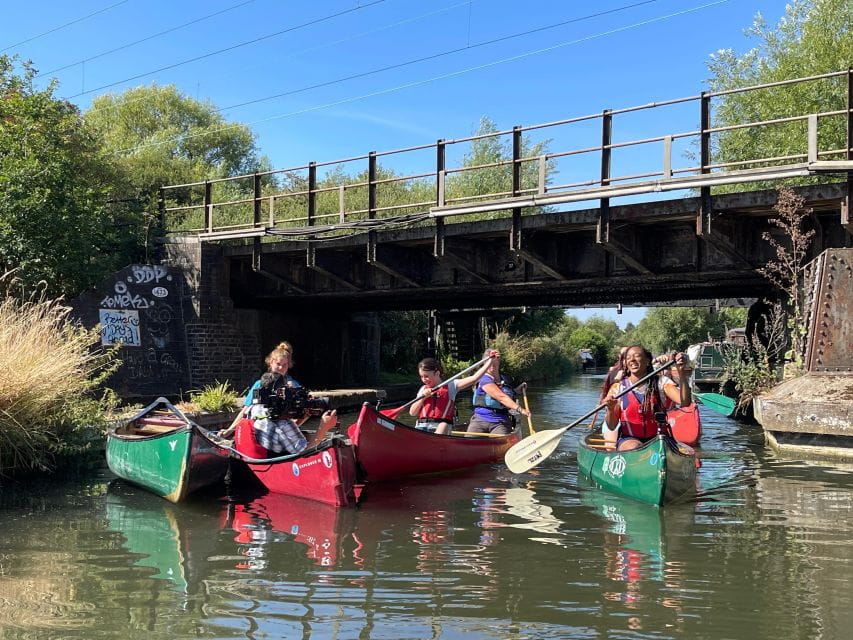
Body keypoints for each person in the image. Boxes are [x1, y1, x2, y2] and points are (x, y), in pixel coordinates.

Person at [226, 341, 337, 454]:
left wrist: (300, 417)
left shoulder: (293, 387)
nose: (281, 368)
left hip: (278, 429)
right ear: (271, 362)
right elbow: (246, 411)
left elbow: (296, 413)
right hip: (278, 429)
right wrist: (229, 430)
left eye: (285, 365)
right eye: (278, 364)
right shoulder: (260, 385)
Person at [602, 345, 691, 451]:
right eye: (629, 358)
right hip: (629, 439)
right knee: (634, 447)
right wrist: (611, 410)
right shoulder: (618, 388)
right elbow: (612, 426)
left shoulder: (662, 382)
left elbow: (685, 402)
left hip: (660, 438)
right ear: (625, 363)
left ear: (647, 361)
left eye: (637, 356)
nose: (632, 360)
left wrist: (681, 373)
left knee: (665, 448)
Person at [408, 353, 496, 435]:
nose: (424, 379)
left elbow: (474, 378)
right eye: (421, 376)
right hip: (421, 428)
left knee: (443, 425)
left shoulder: (451, 386)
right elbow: (412, 413)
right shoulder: (423, 389)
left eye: (426, 376)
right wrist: (422, 397)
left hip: (441, 429)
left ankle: (434, 444)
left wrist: (489, 361)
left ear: (437, 373)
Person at [467, 349, 531, 436]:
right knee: (469, 441)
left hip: (500, 421)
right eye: (489, 362)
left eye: (495, 361)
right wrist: (520, 409)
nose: (492, 364)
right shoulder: (483, 379)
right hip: (480, 420)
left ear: (499, 362)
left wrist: (516, 391)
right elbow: (501, 397)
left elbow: (507, 394)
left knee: (499, 441)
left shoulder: (504, 379)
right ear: (484, 364)